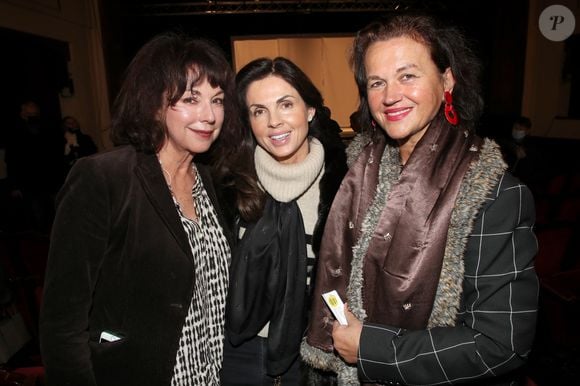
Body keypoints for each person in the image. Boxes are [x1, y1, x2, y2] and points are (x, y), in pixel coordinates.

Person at [301, 13, 539, 385]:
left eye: (407, 76)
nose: (390, 95)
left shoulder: (494, 192)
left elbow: (502, 343)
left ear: (447, 80)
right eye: (377, 82)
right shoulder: (358, 172)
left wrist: (371, 348)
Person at [39, 32, 241, 386]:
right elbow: (62, 324)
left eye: (218, 99)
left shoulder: (212, 181)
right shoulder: (104, 178)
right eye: (191, 99)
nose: (209, 115)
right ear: (154, 103)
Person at [221, 57, 348, 384]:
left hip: (315, 354)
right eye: (259, 111)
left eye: (286, 104)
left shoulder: (345, 183)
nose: (273, 121)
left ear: (309, 110)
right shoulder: (227, 184)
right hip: (237, 351)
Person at [3, 100, 61, 232]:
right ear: (23, 113)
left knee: (55, 209)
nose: (34, 115)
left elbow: (53, 154)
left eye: (36, 113)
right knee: (37, 213)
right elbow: (11, 160)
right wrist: (14, 185)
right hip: (28, 181)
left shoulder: (46, 128)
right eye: (31, 113)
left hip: (49, 177)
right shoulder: (14, 131)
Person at [61, 115, 98, 181]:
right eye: (69, 123)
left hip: (86, 171)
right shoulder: (63, 141)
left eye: (74, 122)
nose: (73, 124)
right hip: (71, 174)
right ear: (64, 126)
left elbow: (93, 153)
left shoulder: (86, 138)